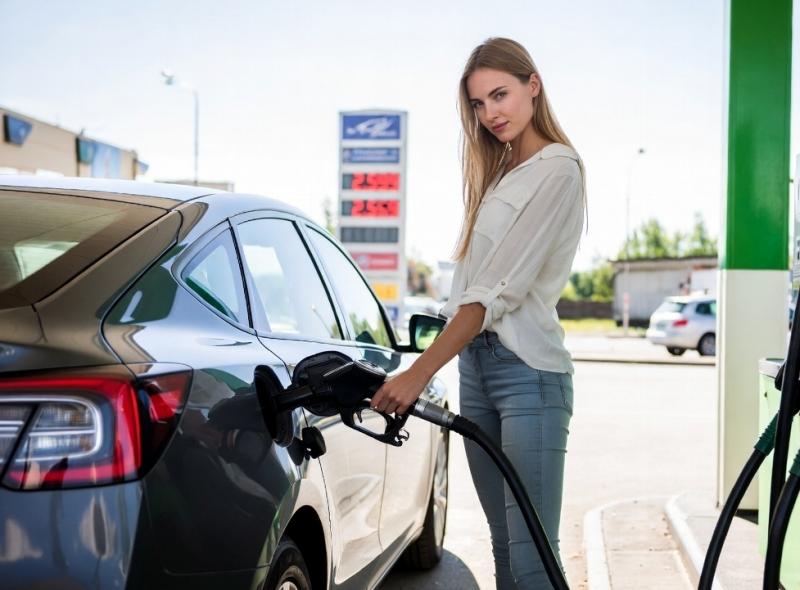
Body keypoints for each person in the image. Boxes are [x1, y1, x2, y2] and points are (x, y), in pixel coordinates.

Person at [370, 36, 585, 589]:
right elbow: (470, 287)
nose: (490, 113)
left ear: (533, 87)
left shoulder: (558, 169)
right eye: (477, 104)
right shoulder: (501, 173)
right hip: (480, 370)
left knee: (533, 553)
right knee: (505, 549)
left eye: (500, 95)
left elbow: (492, 295)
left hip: (528, 373)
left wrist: (419, 372)